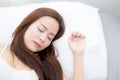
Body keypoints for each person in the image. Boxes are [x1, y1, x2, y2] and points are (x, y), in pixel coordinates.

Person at [0, 7, 85, 80]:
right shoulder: (1, 49)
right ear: (27, 24)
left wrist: (78, 53)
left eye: (50, 38)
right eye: (40, 29)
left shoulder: (49, 66)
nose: (43, 38)